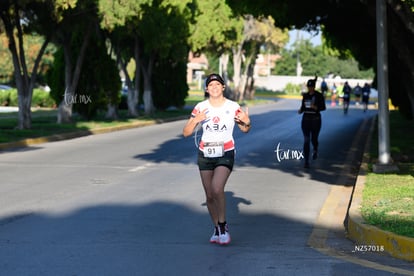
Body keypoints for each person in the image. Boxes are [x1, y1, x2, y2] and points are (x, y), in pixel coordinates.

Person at [182, 73, 251, 245]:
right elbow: (186, 132)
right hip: (205, 153)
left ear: (223, 87)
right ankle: (217, 228)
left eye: (217, 84)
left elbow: (244, 129)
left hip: (225, 151)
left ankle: (222, 225)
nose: (214, 87)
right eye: (210, 85)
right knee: (209, 195)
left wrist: (246, 121)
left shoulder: (232, 106)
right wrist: (195, 120)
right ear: (206, 89)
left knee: (217, 188)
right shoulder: (200, 107)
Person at [298, 77, 326, 168]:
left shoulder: (319, 95)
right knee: (306, 140)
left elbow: (323, 107)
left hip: (315, 120)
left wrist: (316, 107)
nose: (310, 89)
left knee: (314, 138)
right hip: (306, 120)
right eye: (308, 87)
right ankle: (306, 161)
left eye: (311, 87)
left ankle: (315, 149)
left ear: (314, 87)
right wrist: (300, 110)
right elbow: (303, 106)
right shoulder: (305, 96)